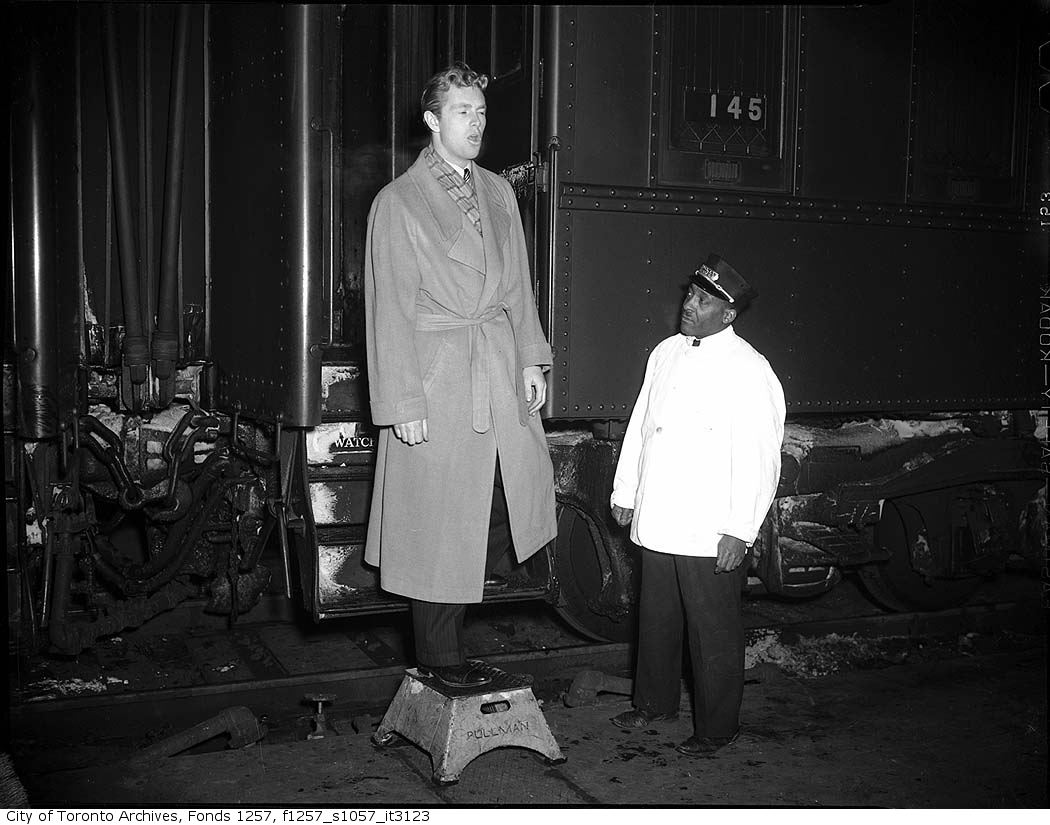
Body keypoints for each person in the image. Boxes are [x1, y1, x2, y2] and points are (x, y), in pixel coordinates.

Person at [363, 62, 557, 688]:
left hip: (496, 364)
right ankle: (439, 664)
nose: (475, 124)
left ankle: (454, 647)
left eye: (480, 113)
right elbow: (387, 308)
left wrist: (531, 354)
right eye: (461, 113)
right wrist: (402, 403)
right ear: (431, 121)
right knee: (437, 530)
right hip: (437, 379)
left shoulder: (499, 191)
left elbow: (520, 288)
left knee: (495, 511)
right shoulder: (398, 203)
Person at [609, 255, 785, 755]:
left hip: (709, 528)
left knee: (713, 632)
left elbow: (759, 457)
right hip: (661, 516)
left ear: (727, 315)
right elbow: (643, 423)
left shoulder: (749, 369)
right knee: (656, 621)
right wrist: (626, 491)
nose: (690, 304)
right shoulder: (665, 352)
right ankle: (652, 705)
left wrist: (740, 528)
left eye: (704, 301)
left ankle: (715, 728)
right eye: (691, 295)